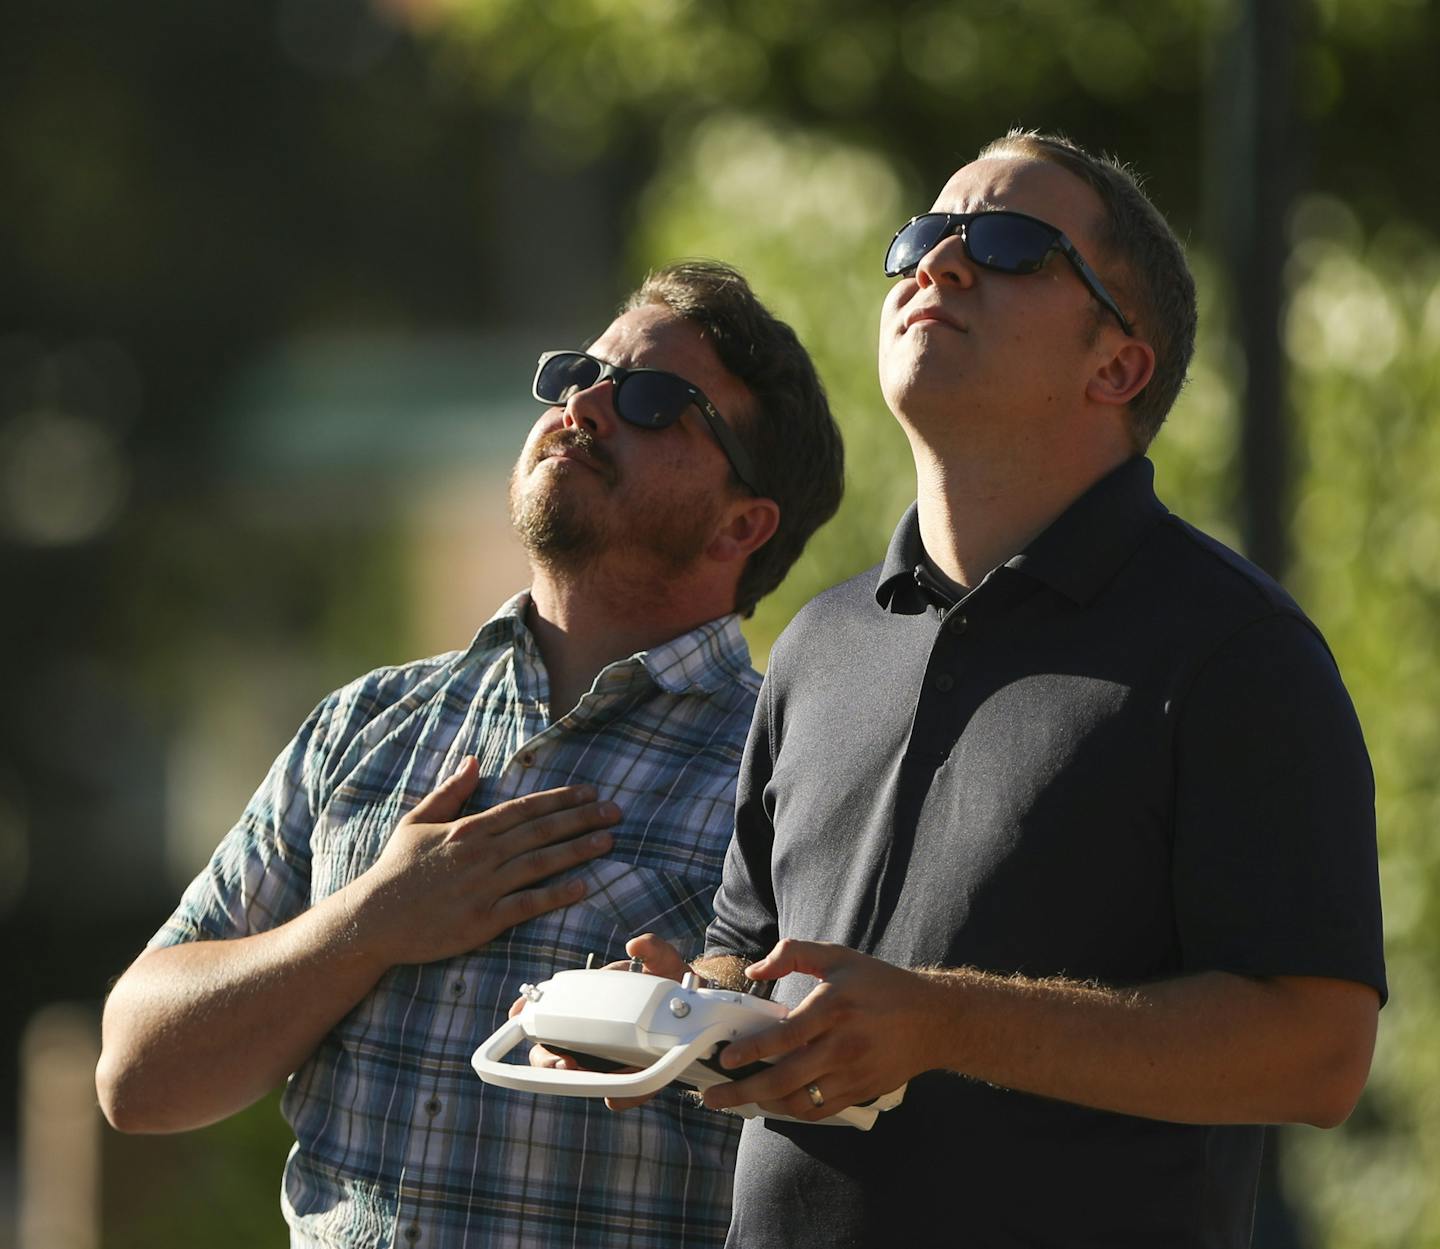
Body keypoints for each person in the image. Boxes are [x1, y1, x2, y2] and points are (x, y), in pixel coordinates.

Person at [618, 132, 1386, 1248]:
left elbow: (1320, 1054)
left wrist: (944, 1020)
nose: (939, 264)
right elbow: (753, 945)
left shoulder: (1235, 650)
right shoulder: (817, 645)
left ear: (1117, 366)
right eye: (924, 236)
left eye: (1010, 244)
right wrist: (680, 1005)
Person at [95, 260, 845, 1249]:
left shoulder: (799, 770)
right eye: (580, 373)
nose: (585, 404)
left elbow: (871, 1115)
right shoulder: (366, 721)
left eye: (655, 400)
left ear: (742, 523)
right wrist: (367, 925)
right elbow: (135, 1074)